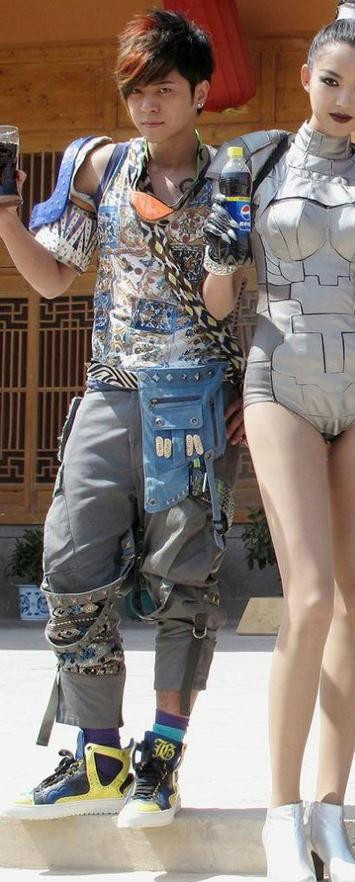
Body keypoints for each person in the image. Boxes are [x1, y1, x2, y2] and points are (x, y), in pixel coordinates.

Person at [0, 10, 245, 828]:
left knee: (186, 579)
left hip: (196, 398)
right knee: (71, 562)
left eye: (163, 89)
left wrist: (251, 391)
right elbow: (53, 279)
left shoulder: (234, 179)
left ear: (200, 93)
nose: (146, 105)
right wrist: (6, 215)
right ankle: (98, 752)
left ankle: (162, 757)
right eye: (135, 90)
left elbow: (241, 302)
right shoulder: (98, 166)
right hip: (109, 391)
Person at [202, 2, 355, 882]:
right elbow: (221, 302)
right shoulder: (248, 161)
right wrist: (222, 253)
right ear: (305, 77)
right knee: (310, 597)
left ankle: (332, 812)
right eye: (331, 80)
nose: (344, 98)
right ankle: (280, 814)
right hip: (280, 375)